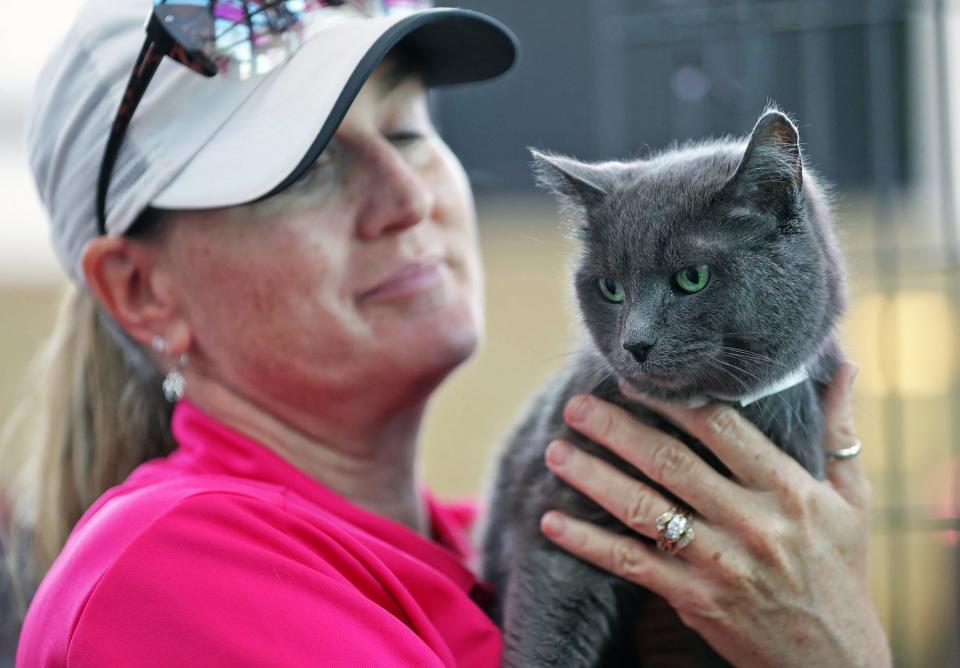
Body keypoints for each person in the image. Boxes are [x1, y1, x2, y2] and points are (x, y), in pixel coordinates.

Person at [5, 0, 890, 665]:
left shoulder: (490, 545)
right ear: (142, 290)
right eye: (304, 171)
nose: (407, 197)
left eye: (409, 130)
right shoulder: (175, 576)